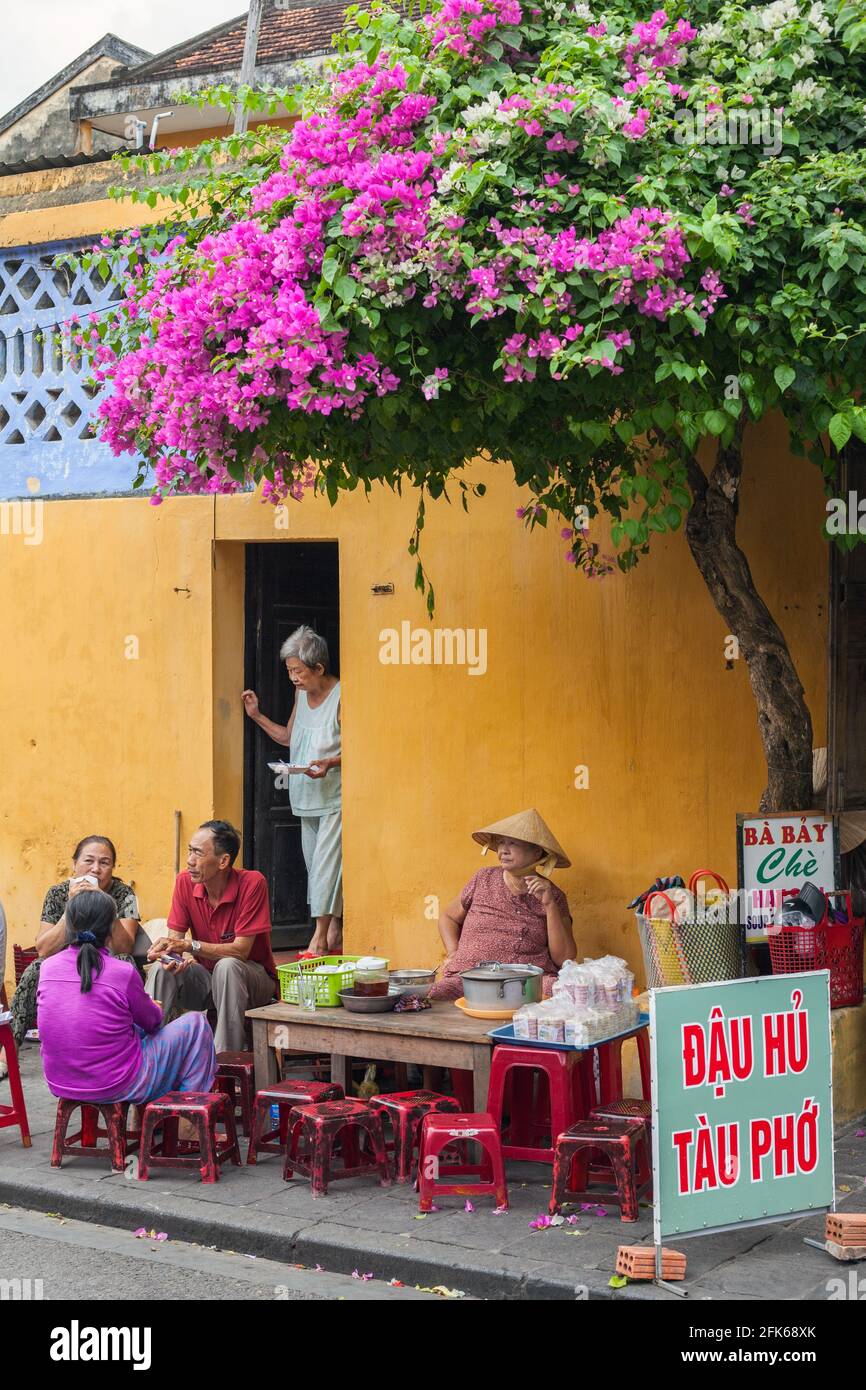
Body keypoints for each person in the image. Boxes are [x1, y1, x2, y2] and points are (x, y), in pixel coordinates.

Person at [37, 888, 216, 1105]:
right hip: (116, 1083)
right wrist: (154, 1006)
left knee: (127, 1027)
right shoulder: (121, 971)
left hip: (59, 1083)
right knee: (196, 1024)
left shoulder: (47, 968)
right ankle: (189, 1114)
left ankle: (145, 1117)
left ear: (68, 926)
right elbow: (153, 1022)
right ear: (112, 928)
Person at [242, 624, 343, 956]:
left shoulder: (342, 696)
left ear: (318, 668)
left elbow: (362, 747)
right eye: (289, 672)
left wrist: (331, 763)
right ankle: (335, 932)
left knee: (326, 866)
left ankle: (319, 939)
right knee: (315, 867)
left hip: (334, 797)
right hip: (303, 797)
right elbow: (289, 737)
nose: (294, 679)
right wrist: (256, 716)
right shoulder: (301, 695)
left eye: (299, 672)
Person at [145, 820, 277, 1052]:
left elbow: (241, 951)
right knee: (159, 970)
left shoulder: (253, 883)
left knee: (228, 966)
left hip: (252, 979)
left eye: (197, 852)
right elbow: (175, 943)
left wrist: (189, 945)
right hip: (206, 978)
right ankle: (147, 1056)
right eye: (189, 850)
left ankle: (223, 1066)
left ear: (223, 861)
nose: (189, 860)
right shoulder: (184, 882)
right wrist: (167, 956)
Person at [9, 835, 144, 1048]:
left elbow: (124, 946)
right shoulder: (58, 893)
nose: (96, 869)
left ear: (112, 868)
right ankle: (8, 1052)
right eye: (88, 861)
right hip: (66, 963)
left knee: (125, 961)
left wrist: (103, 901)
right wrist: (70, 907)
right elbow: (44, 949)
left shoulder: (123, 893)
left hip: (106, 962)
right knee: (35, 969)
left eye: (104, 862)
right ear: (74, 864)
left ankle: (125, 1043)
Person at [429, 809, 576, 1001]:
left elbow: (564, 958)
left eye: (513, 843)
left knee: (564, 993)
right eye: (501, 843)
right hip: (471, 976)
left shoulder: (553, 896)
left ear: (537, 852)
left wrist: (549, 905)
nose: (503, 850)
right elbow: (447, 918)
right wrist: (453, 952)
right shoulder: (483, 878)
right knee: (434, 996)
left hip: (527, 983)